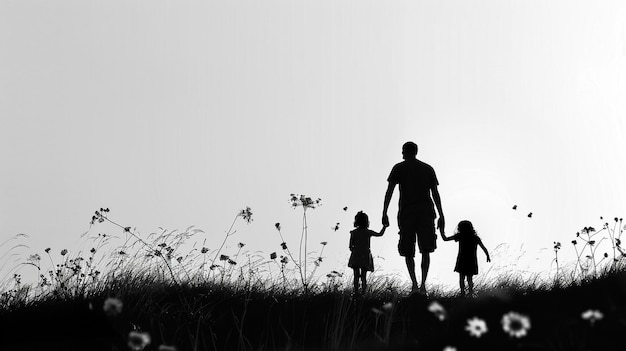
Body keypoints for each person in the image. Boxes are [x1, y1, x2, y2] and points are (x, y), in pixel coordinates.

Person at [382, 141, 444, 294]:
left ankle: (416, 285)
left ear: (405, 151)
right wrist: (441, 214)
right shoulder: (427, 168)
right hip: (426, 213)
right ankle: (422, 285)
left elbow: (389, 191)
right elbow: (435, 194)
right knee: (426, 250)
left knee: (408, 250)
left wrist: (384, 212)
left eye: (402, 151)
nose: (402, 153)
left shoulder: (399, 168)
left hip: (407, 214)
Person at [441, 220, 491, 297]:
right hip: (471, 260)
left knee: (462, 278)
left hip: (462, 259)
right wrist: (487, 255)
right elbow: (483, 247)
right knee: (469, 278)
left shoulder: (460, 236)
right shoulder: (475, 237)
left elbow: (445, 239)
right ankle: (470, 293)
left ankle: (463, 293)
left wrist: (441, 230)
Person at [348, 211, 387, 296]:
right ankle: (363, 293)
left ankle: (356, 292)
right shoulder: (368, 232)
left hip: (356, 255)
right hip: (365, 255)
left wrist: (355, 250)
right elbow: (380, 234)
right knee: (363, 276)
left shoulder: (354, 232)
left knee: (356, 275)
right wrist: (384, 227)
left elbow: (350, 246)